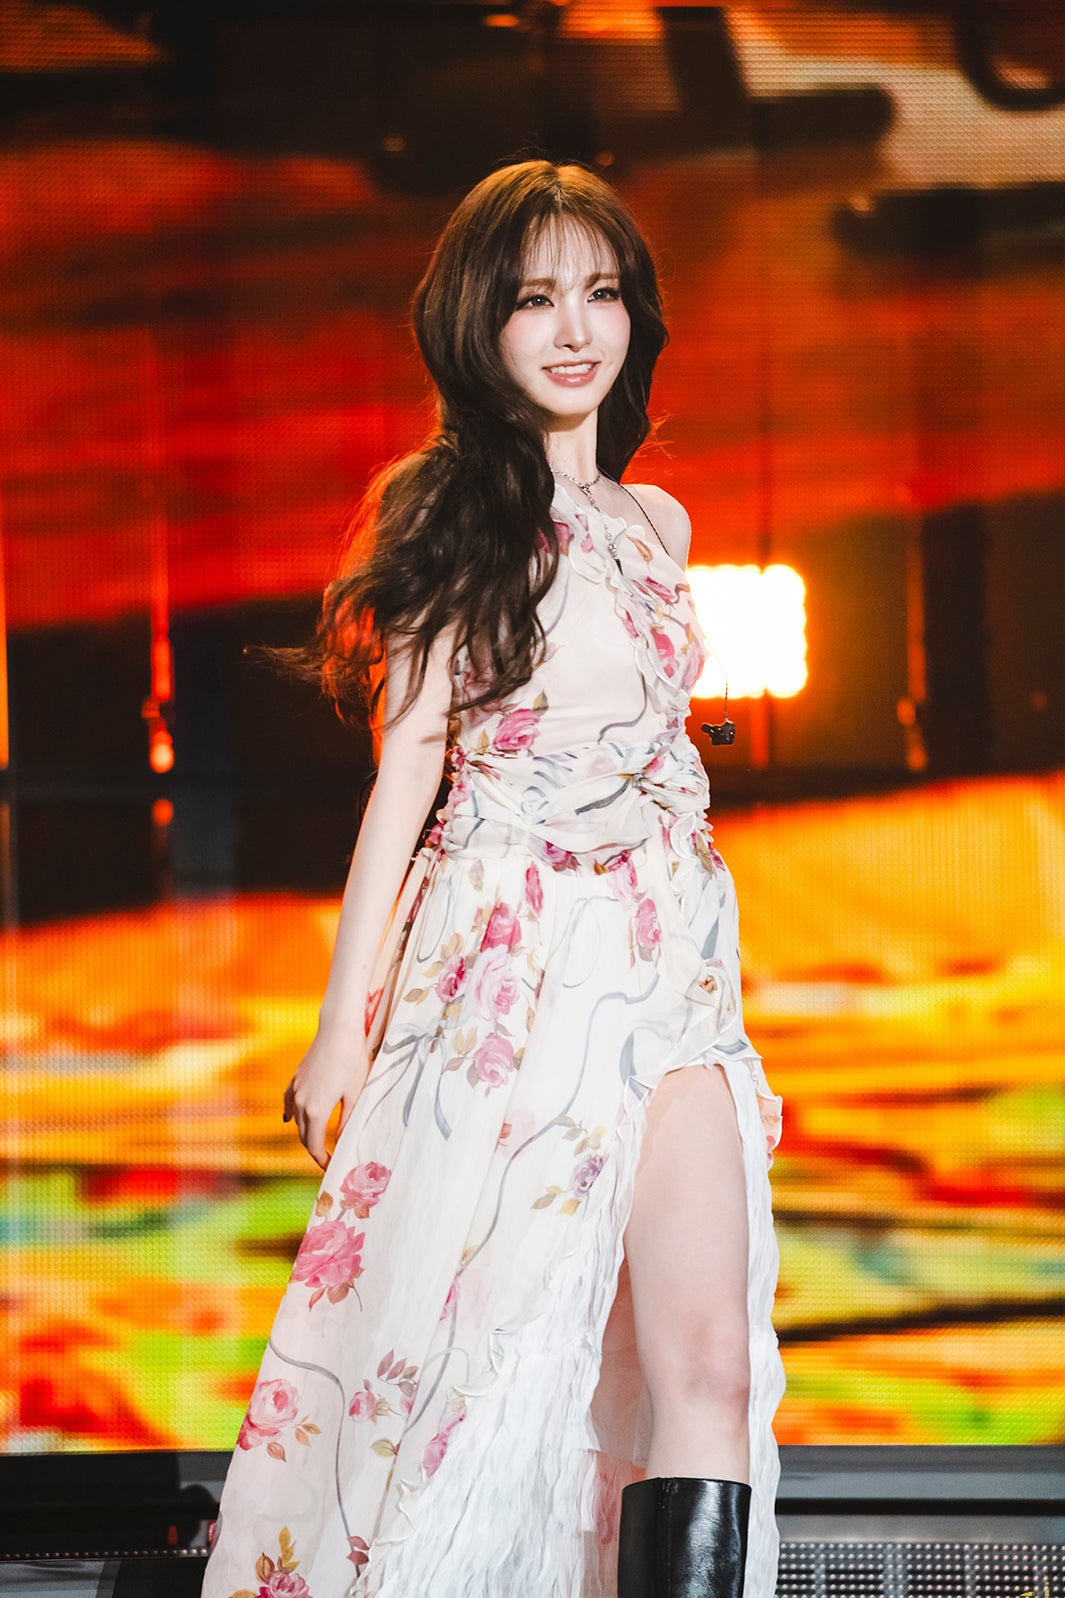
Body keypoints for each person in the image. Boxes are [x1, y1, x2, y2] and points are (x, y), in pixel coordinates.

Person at [200, 158, 784, 1598]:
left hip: (670, 977)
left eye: (602, 293)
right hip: (509, 972)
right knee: (475, 1366)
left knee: (706, 1365)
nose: (576, 329)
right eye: (535, 299)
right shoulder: (446, 509)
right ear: (480, 322)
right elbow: (407, 778)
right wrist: (341, 1030)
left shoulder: (660, 527)